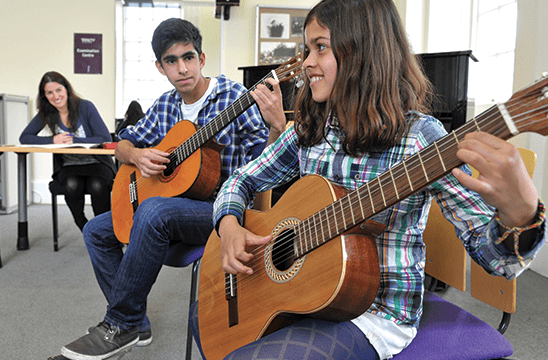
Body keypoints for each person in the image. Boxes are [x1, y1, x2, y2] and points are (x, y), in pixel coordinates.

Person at [209, 0, 546, 359]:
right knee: (221, 339)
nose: (307, 63)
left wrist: (521, 213)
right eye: (306, 49)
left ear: (362, 52)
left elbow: (497, 261)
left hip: (377, 312)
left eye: (320, 47)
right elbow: (240, 179)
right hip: (306, 293)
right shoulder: (310, 130)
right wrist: (228, 222)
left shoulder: (422, 140)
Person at [59, 18, 286, 360]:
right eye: (171, 61)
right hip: (172, 204)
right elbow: (120, 144)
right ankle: (138, 321)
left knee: (153, 212)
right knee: (95, 230)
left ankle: (120, 324)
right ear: (160, 66)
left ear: (202, 58)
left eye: (189, 57)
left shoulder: (234, 97)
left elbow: (265, 166)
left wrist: (277, 127)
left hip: (222, 209)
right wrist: (136, 155)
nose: (182, 68)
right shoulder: (165, 104)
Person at [20, 71, 116, 232]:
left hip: (96, 163)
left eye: (58, 90)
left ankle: (105, 231)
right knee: (72, 185)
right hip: (69, 166)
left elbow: (105, 137)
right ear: (44, 96)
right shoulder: (47, 112)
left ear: (66, 89)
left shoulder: (85, 106)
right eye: (49, 93)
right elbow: (24, 137)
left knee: (97, 185)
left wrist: (75, 140)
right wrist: (53, 139)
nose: (55, 96)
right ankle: (84, 227)